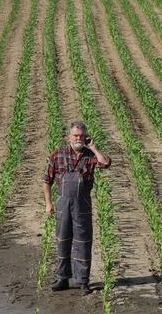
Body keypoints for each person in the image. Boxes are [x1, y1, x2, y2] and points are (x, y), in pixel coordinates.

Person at [42, 121, 111, 294]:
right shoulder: (58, 154)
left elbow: (106, 163)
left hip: (82, 206)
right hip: (62, 204)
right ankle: (62, 278)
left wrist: (94, 147)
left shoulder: (90, 155)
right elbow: (46, 180)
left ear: (86, 136)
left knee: (82, 242)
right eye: (75, 135)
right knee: (62, 241)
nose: (78, 138)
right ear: (69, 137)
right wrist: (48, 204)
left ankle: (83, 281)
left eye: (81, 135)